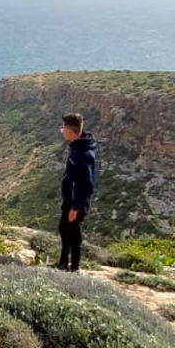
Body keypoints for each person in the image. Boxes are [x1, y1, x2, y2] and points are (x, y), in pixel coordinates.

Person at [58, 113, 99, 272]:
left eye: (63, 128)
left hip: (76, 202)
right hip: (71, 200)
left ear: (70, 131)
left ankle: (73, 267)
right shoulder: (79, 146)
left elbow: (87, 183)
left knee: (73, 235)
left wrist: (75, 207)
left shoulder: (82, 153)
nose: (62, 131)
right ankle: (63, 263)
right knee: (64, 229)